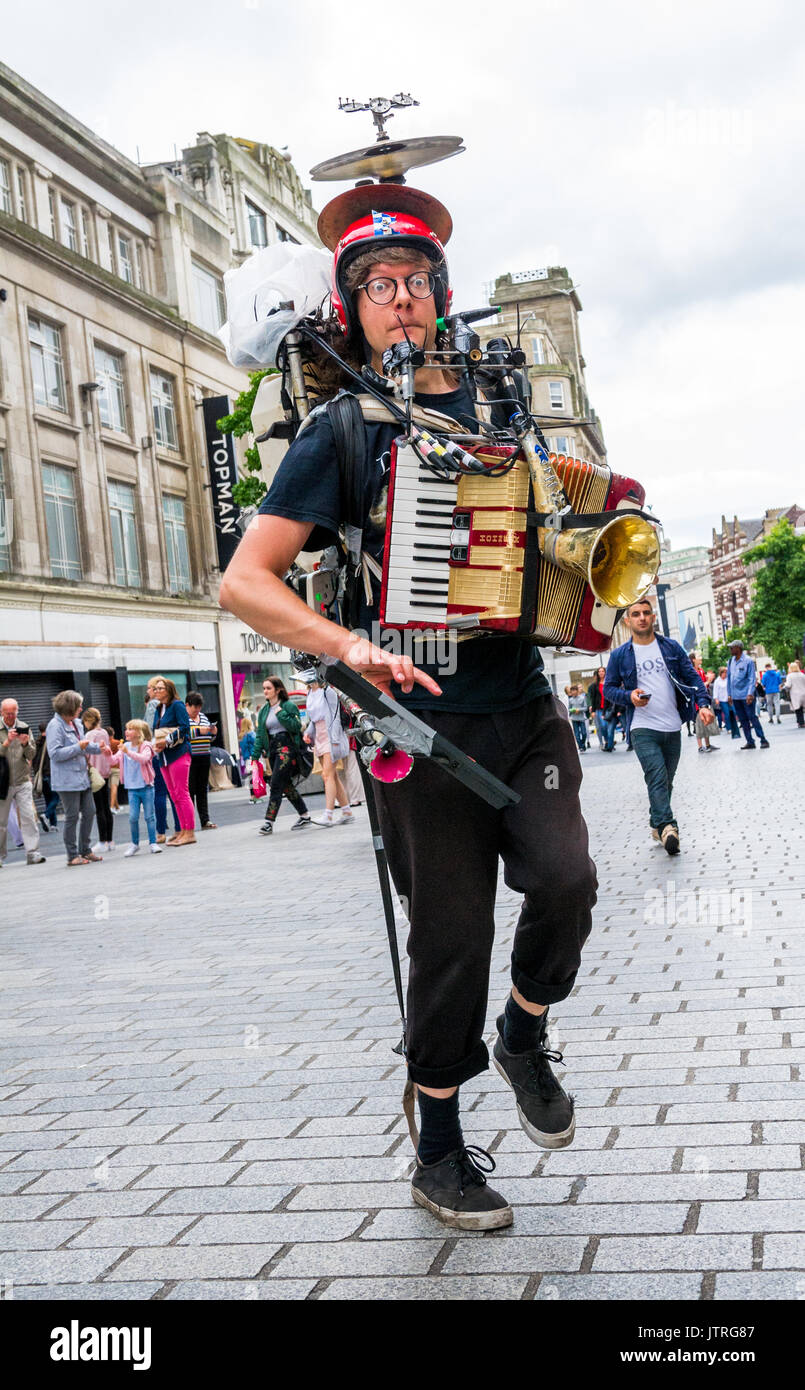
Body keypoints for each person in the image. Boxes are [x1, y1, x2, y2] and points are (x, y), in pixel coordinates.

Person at [219, 184, 597, 1231]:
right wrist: (348, 647)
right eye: (378, 285)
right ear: (351, 308)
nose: (401, 299)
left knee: (566, 880)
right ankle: (438, 1150)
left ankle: (523, 1032)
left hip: (518, 694)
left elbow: (560, 546)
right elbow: (244, 581)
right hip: (415, 720)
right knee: (450, 936)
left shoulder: (504, 416)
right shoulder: (343, 429)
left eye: (416, 281)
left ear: (440, 295)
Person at [604, 597, 713, 855]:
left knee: (667, 780)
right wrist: (628, 697)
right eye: (636, 614)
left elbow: (692, 677)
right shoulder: (620, 655)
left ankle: (656, 821)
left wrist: (704, 704)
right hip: (642, 727)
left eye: (646, 613)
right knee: (656, 776)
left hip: (672, 725)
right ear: (628, 620)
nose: (642, 617)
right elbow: (608, 689)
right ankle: (668, 828)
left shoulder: (671, 648)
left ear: (653, 618)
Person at [45, 691, 104, 866]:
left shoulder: (77, 723)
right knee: (72, 816)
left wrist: (98, 748)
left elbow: (85, 746)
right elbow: (54, 754)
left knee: (90, 811)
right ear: (70, 707)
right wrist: (78, 747)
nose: (81, 708)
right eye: (78, 705)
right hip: (66, 780)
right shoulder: (55, 726)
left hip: (82, 776)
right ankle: (72, 855)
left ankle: (85, 850)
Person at [252, 676, 311, 835]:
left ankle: (269, 822)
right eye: (264, 688)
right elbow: (260, 734)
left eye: (268, 688)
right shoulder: (263, 711)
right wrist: (255, 755)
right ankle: (304, 815)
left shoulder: (288, 706)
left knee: (276, 782)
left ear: (278, 690)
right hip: (272, 749)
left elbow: (296, 726)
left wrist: (281, 714)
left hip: (287, 748)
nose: (265, 691)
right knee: (285, 785)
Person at [300, 671, 353, 827]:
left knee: (327, 775)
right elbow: (314, 718)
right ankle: (347, 811)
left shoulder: (327, 691)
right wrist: (309, 733)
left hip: (330, 735)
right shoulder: (311, 692)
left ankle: (328, 815)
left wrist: (335, 740)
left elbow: (335, 716)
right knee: (332, 776)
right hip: (320, 736)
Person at [0, 697, 46, 867]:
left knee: (28, 817)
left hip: (22, 780)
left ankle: (33, 853)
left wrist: (26, 744)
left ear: (18, 711)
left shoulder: (24, 727)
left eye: (14, 713)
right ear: (1, 712)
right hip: (2, 782)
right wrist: (7, 742)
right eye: (7, 713)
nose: (11, 717)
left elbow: (32, 755)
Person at [150, 677, 196, 845]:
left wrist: (167, 740)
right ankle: (182, 830)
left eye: (160, 688)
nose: (157, 691)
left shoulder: (177, 705)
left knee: (182, 793)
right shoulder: (158, 708)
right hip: (163, 757)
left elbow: (185, 728)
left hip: (178, 753)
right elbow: (157, 730)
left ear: (169, 690)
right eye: (155, 689)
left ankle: (189, 832)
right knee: (174, 794)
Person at [108, 720, 162, 856]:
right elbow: (113, 761)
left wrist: (127, 752)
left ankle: (153, 842)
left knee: (150, 816)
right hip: (132, 788)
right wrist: (106, 752)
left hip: (146, 786)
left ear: (139, 733)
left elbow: (144, 759)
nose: (127, 731)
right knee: (133, 817)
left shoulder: (146, 746)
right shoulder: (125, 746)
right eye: (126, 728)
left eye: (131, 729)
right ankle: (134, 844)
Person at [145, 678, 179, 842]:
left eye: (150, 689)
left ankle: (161, 831)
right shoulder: (167, 705)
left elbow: (149, 729)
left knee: (161, 792)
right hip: (167, 751)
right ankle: (178, 828)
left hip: (159, 751)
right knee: (172, 792)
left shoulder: (154, 705)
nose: (150, 692)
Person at [81, 707, 115, 854]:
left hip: (95, 772)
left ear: (88, 721)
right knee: (106, 808)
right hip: (105, 771)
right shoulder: (104, 733)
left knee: (99, 808)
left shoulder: (89, 734)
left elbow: (87, 753)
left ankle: (102, 841)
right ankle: (110, 840)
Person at [727, 640, 769, 750]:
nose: (730, 650)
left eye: (732, 647)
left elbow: (751, 678)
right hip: (735, 696)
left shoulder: (748, 661)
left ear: (738, 648)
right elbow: (729, 679)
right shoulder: (730, 661)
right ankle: (750, 741)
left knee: (752, 717)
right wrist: (729, 694)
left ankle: (763, 740)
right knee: (743, 719)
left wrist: (750, 694)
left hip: (746, 695)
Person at [186, 692, 217, 830]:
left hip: (205, 756)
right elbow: (185, 734)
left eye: (199, 707)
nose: (197, 711)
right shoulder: (183, 719)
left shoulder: (203, 717)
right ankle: (190, 822)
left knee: (202, 790)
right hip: (190, 758)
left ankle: (205, 820)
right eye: (194, 708)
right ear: (187, 705)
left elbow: (209, 738)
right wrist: (201, 731)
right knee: (190, 790)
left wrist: (213, 732)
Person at [32, 722, 60, 832]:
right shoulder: (51, 742)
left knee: (49, 799)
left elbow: (33, 760)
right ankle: (46, 815)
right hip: (51, 774)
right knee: (56, 797)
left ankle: (53, 824)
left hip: (41, 776)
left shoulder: (36, 742)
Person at [587, 665, 616, 751]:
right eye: (599, 671)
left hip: (609, 708)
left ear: (605, 672)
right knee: (602, 726)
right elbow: (592, 698)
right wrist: (593, 710)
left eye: (602, 671)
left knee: (608, 727)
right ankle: (607, 741)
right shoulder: (594, 685)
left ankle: (609, 744)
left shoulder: (609, 683)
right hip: (599, 708)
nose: (601, 673)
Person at [567, 684, 589, 752]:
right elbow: (569, 709)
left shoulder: (582, 698)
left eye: (574, 690)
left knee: (584, 733)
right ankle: (581, 747)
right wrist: (572, 710)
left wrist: (578, 710)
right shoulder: (570, 700)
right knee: (577, 734)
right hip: (574, 718)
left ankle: (582, 744)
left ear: (577, 691)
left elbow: (585, 708)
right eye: (572, 691)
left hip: (582, 718)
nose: (573, 692)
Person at [784, 660, 805, 728]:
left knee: (798, 709)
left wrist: (784, 686)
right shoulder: (802, 675)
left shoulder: (790, 676)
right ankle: (801, 722)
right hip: (803, 693)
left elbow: (788, 685)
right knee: (801, 708)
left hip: (795, 694)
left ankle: (801, 722)